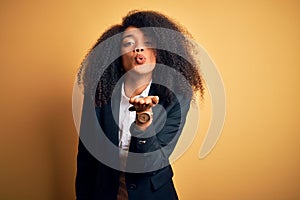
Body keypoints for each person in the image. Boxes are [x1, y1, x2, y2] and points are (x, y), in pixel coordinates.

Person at [75, 10, 204, 200]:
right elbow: (86, 160)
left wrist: (143, 124)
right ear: (117, 55)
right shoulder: (98, 96)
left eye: (148, 43)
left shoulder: (177, 98)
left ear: (160, 53)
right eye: (129, 43)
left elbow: (154, 162)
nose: (138, 49)